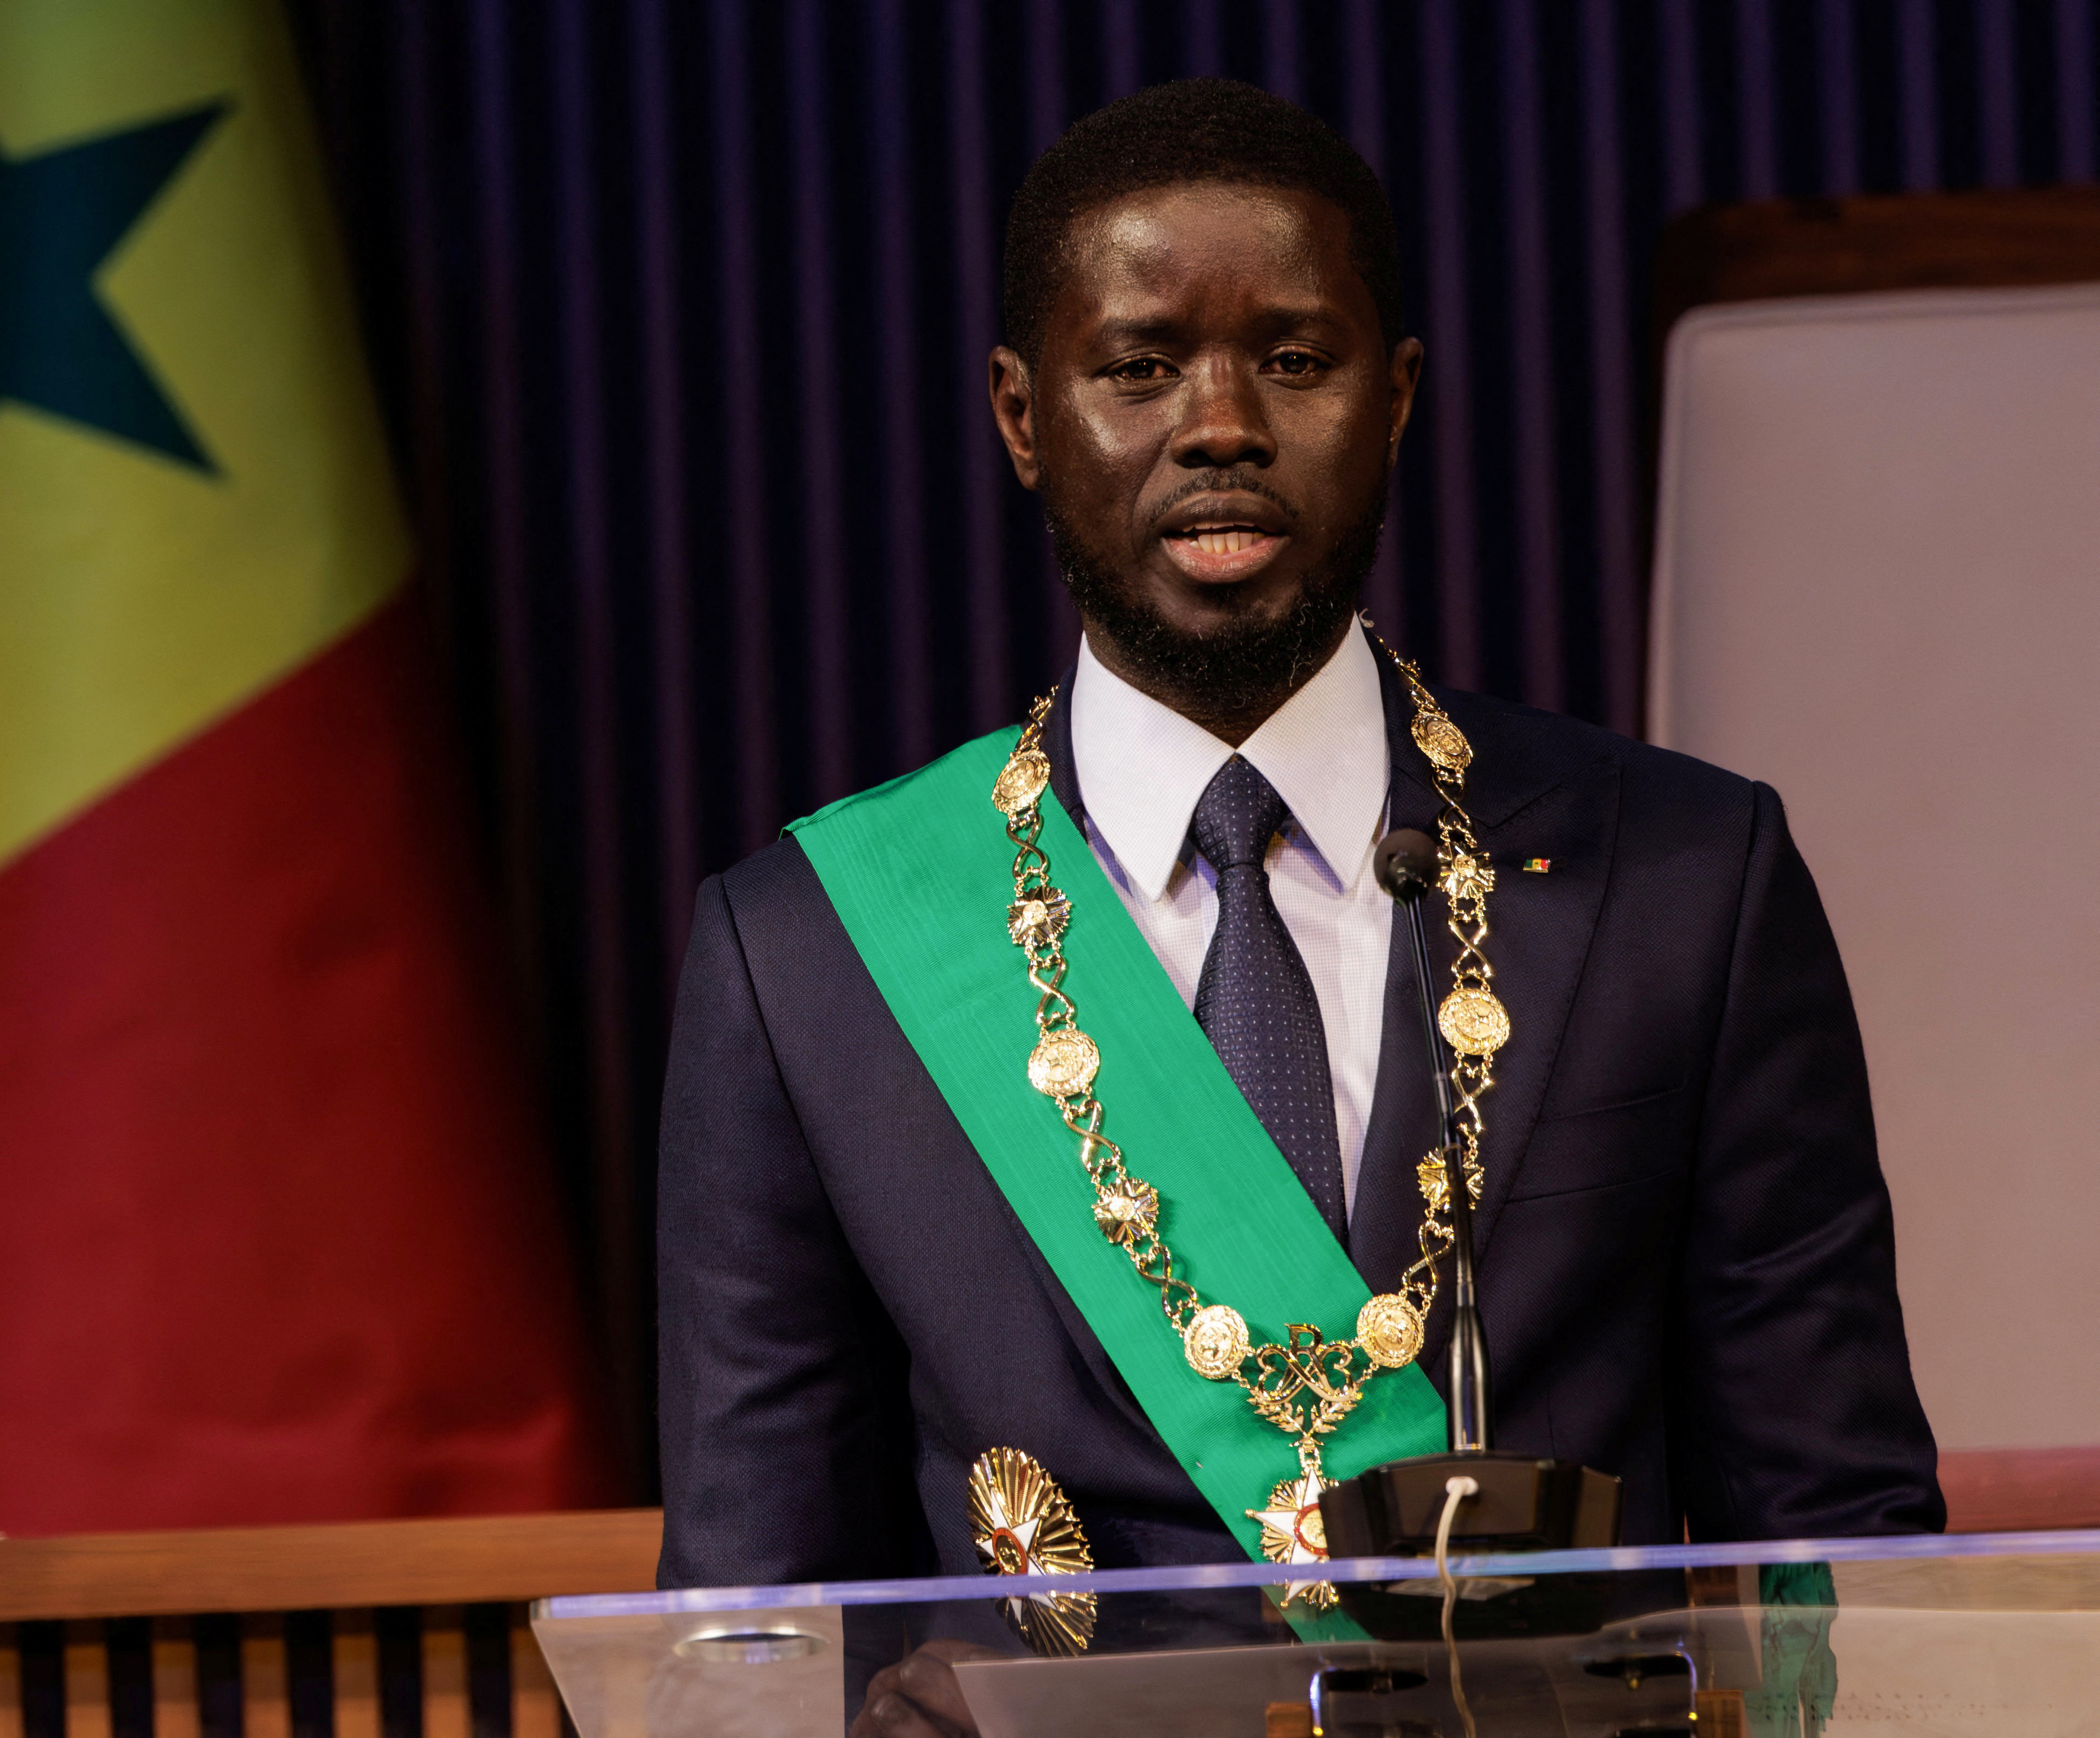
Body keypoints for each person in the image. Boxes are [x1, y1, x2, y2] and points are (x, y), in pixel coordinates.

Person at [657, 73, 1938, 1620]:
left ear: (1393, 398)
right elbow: (752, 1620)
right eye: (1137, 367)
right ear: (1019, 417)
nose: (1218, 427)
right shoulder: (807, 953)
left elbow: (1838, 1529)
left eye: (1292, 359)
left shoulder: (1683, 876)